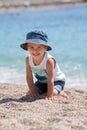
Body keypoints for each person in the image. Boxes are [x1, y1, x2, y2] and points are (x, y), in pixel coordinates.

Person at [20, 30, 68, 100]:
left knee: (51, 93)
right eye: (31, 47)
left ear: (45, 48)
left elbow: (51, 79)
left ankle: (60, 92)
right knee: (29, 93)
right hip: (41, 82)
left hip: (56, 81)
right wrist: (33, 92)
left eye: (39, 47)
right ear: (27, 48)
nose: (35, 50)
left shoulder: (49, 61)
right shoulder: (28, 59)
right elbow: (29, 77)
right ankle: (46, 91)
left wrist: (49, 95)